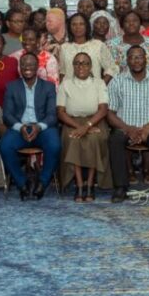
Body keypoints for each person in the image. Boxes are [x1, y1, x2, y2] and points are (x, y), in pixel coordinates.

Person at [107, 45, 149, 203]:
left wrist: (148, 127)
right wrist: (127, 129)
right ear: (127, 61)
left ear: (146, 59)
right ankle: (120, 187)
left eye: (139, 57)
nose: (135, 61)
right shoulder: (116, 82)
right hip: (124, 127)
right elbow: (110, 113)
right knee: (114, 139)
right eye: (131, 57)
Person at [0, 53, 60, 201]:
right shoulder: (11, 87)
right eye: (24, 64)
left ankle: (42, 183)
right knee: (4, 147)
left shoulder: (48, 87)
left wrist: (38, 127)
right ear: (19, 68)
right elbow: (7, 115)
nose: (27, 67)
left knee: (55, 146)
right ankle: (22, 183)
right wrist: (20, 127)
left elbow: (52, 114)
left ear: (37, 67)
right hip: (20, 128)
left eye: (31, 64)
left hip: (42, 128)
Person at [57, 52, 111, 201]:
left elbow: (103, 110)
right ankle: (80, 185)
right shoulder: (65, 84)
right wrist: (79, 127)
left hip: (95, 120)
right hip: (71, 121)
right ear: (73, 66)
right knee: (74, 139)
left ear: (90, 66)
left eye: (85, 63)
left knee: (94, 139)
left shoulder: (99, 83)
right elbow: (60, 112)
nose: (81, 66)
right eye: (77, 63)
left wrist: (87, 126)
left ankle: (90, 184)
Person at [60, 13, 118, 83]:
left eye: (81, 24)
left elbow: (111, 68)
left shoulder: (98, 45)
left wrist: (101, 85)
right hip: (69, 88)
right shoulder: (64, 47)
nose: (78, 27)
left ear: (87, 26)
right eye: (74, 24)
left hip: (94, 88)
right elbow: (62, 73)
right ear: (69, 27)